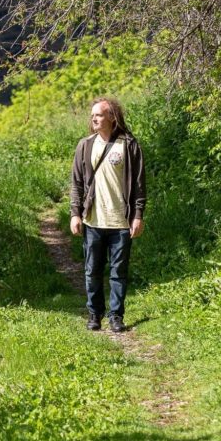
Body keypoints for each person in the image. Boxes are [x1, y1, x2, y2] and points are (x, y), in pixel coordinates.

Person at [70, 97, 146, 333]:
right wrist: (75, 213)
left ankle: (116, 316)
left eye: (99, 115)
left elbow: (139, 184)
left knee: (118, 272)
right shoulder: (85, 145)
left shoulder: (129, 145)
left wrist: (138, 215)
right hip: (93, 220)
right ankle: (94, 313)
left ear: (112, 117)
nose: (94, 118)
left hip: (120, 221)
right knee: (92, 270)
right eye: (93, 115)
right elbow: (77, 183)